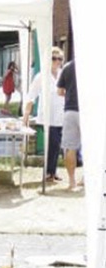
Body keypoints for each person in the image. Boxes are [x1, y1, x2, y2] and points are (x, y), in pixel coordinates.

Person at [23, 46, 65, 184]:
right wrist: (26, 116)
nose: (57, 61)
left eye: (60, 59)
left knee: (57, 146)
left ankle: (52, 171)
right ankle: (49, 172)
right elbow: (31, 96)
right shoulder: (41, 76)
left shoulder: (62, 74)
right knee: (52, 143)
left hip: (61, 116)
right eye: (54, 58)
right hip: (47, 116)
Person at [57, 58, 82, 191]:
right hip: (89, 112)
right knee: (92, 148)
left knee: (70, 147)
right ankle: (86, 178)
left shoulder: (67, 67)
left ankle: (72, 181)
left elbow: (60, 91)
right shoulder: (97, 65)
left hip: (70, 110)